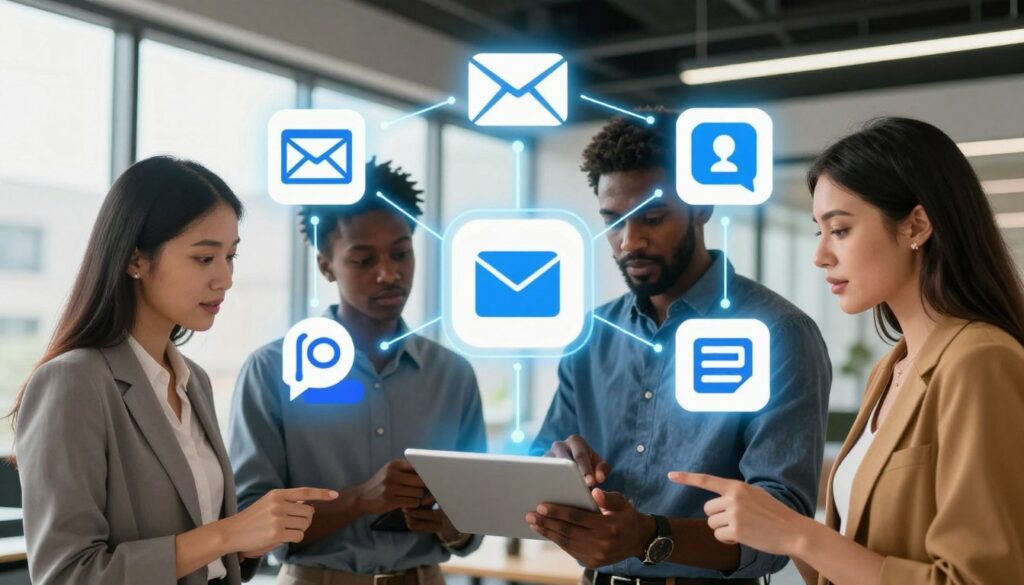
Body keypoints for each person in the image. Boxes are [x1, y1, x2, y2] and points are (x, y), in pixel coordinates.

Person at [669, 117, 1024, 584]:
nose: (820, 255)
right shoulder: (891, 368)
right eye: (819, 231)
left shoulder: (979, 361)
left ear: (916, 224)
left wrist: (798, 535)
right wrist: (766, 524)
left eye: (839, 230)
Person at [526, 114, 832, 583]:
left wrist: (647, 536)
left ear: (702, 204)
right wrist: (555, 467)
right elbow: (535, 470)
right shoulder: (592, 335)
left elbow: (781, 527)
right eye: (613, 222)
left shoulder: (780, 334)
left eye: (652, 218)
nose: (630, 242)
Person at [10, 156, 337, 585]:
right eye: (204, 259)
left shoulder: (193, 381)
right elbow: (67, 574)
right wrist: (226, 534)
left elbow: (208, 551)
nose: (225, 278)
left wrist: (247, 541)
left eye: (231, 257)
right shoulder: (73, 382)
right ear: (135, 261)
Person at [229, 158, 487, 585]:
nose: (390, 274)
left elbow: (473, 524)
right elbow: (251, 524)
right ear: (326, 265)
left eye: (401, 253)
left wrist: (448, 523)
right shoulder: (270, 372)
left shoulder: (452, 376)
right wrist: (358, 500)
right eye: (364, 261)